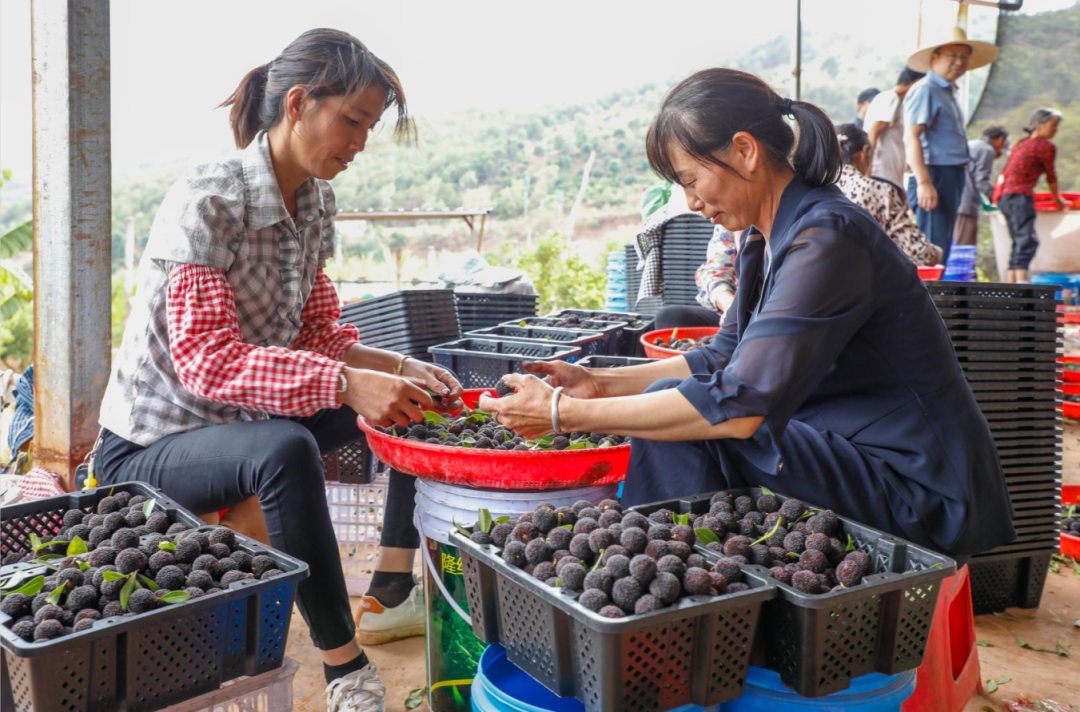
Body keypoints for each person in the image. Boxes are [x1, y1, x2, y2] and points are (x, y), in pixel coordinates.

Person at [483, 68, 1014, 559]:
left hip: (915, 487)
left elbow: (742, 407)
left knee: (687, 420)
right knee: (674, 410)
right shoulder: (765, 240)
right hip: (847, 449)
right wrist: (596, 383)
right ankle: (691, 583)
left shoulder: (827, 238)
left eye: (691, 180)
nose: (691, 201)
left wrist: (563, 414)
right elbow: (722, 355)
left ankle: (685, 599)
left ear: (744, 151)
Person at [95, 29, 463, 712]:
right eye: (351, 119)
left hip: (239, 429)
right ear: (298, 102)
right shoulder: (210, 199)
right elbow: (209, 364)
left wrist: (404, 367)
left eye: (370, 126)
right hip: (150, 450)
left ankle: (389, 588)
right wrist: (349, 383)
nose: (359, 141)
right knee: (286, 446)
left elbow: (320, 336)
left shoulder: (315, 203)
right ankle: (344, 670)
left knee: (411, 402)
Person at [903, 27, 999, 264]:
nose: (959, 62)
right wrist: (924, 183)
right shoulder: (926, 89)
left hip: (951, 173)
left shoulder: (947, 91)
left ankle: (936, 298)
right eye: (952, 55)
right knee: (932, 247)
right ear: (934, 57)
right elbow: (911, 136)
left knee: (942, 243)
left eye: (964, 57)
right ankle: (929, 299)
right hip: (935, 173)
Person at [835, 124, 941, 266]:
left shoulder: (816, 185)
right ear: (865, 151)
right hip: (862, 282)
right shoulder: (878, 190)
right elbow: (921, 253)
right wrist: (937, 253)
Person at [998, 108, 1066, 283]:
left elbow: (1004, 173)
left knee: (1017, 241)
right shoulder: (1045, 146)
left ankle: (1010, 285)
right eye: (1052, 126)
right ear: (1039, 125)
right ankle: (1021, 286)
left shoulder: (1022, 143)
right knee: (1027, 241)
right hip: (1020, 196)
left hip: (1005, 197)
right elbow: (1051, 176)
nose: (1055, 131)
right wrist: (1057, 199)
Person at [654, 226, 739, 328]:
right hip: (736, 312)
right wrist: (729, 307)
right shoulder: (730, 226)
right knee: (670, 316)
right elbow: (715, 273)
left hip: (759, 318)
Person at [864, 67, 926, 189]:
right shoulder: (890, 98)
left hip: (890, 175)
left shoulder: (898, 102)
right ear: (916, 82)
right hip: (881, 175)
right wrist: (867, 171)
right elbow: (873, 133)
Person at [955, 125, 1009, 247]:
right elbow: (981, 181)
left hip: (956, 199)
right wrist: (996, 196)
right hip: (965, 203)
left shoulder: (972, 144)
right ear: (1000, 139)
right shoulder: (987, 150)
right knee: (964, 246)